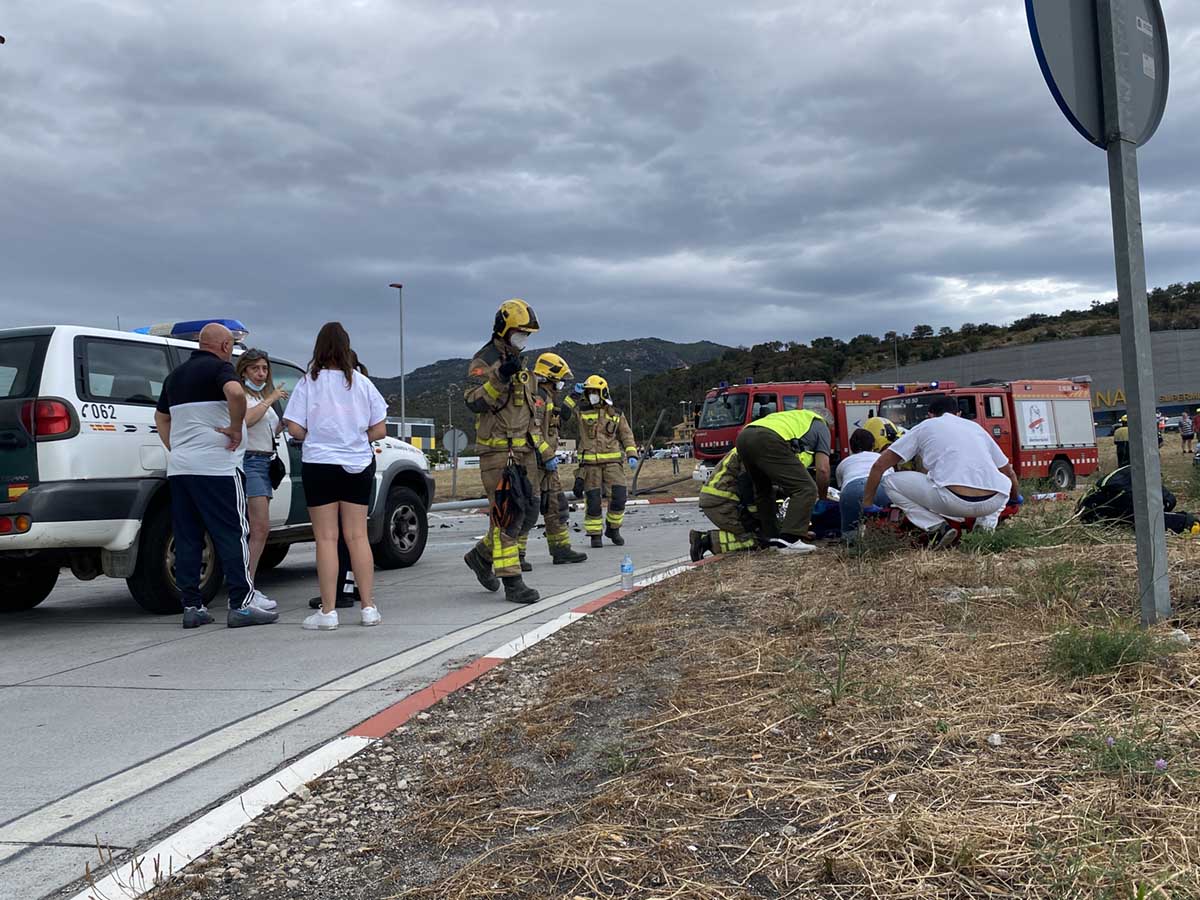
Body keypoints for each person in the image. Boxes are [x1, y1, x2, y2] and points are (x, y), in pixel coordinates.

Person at [154, 323, 278, 628]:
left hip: (182, 469)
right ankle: (241, 604)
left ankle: (192, 606)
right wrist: (236, 427)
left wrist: (175, 445)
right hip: (218, 468)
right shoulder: (220, 370)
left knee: (187, 536)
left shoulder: (175, 376)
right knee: (232, 533)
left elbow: (160, 416)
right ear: (224, 347)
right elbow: (236, 393)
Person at [284, 322, 387, 630]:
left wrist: (314, 435)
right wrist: (355, 438)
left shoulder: (308, 382)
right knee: (357, 536)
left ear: (319, 348)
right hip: (357, 463)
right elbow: (380, 428)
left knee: (326, 538)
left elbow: (293, 427)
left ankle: (328, 612)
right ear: (346, 347)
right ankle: (368, 607)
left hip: (319, 463)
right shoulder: (362, 383)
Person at [462, 299, 554, 604]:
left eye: (527, 334)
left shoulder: (522, 364)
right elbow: (475, 400)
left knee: (527, 513)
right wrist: (499, 377)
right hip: (497, 453)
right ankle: (513, 581)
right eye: (520, 332)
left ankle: (480, 556)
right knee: (507, 516)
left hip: (523, 452)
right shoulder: (484, 360)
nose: (524, 339)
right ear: (504, 329)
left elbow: (527, 412)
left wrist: (542, 450)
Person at [861, 394, 1019, 549]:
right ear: (959, 414)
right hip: (993, 502)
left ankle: (936, 527)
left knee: (890, 482)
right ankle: (984, 530)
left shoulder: (926, 426)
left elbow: (879, 466)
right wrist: (1014, 498)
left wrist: (867, 505)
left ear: (930, 415)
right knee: (1002, 483)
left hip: (953, 501)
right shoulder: (976, 427)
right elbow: (1009, 473)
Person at [735, 406, 834, 554]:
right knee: (807, 488)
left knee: (763, 491)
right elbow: (823, 469)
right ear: (828, 423)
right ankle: (790, 540)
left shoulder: (794, 417)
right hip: (767, 438)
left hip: (744, 437)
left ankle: (773, 539)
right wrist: (823, 499)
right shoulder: (820, 424)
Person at [234, 349, 288, 581]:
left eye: (264, 369)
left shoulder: (259, 398)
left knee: (259, 529)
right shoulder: (243, 396)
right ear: (244, 370)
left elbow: (268, 428)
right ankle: (246, 583)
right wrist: (270, 399)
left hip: (265, 461)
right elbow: (246, 420)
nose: (261, 374)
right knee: (259, 528)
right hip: (251, 461)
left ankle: (247, 580)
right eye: (255, 368)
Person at [532, 352, 587, 565]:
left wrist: (574, 396)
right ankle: (518, 556)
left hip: (547, 464)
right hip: (534, 463)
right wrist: (546, 455)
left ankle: (561, 549)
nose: (561, 383)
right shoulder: (537, 397)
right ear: (549, 377)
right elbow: (533, 431)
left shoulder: (548, 397)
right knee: (527, 510)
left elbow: (561, 415)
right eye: (560, 379)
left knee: (557, 506)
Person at [575, 375, 637, 548]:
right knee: (593, 501)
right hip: (590, 466)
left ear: (603, 392)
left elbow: (626, 434)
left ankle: (613, 528)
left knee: (619, 497)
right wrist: (573, 395)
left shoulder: (616, 413)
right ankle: (595, 535)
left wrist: (632, 454)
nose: (591, 395)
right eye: (589, 392)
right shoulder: (581, 410)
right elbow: (562, 413)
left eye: (594, 392)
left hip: (613, 463)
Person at [689, 448, 760, 560]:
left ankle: (705, 539)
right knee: (758, 538)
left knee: (753, 531)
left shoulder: (745, 447)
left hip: (718, 498)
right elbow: (748, 486)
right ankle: (705, 541)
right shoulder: (753, 452)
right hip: (722, 502)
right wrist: (754, 515)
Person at [836, 427, 894, 540]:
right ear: (873, 445)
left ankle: (852, 544)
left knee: (850, 536)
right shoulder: (881, 458)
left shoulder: (844, 463)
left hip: (852, 489)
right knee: (887, 529)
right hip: (882, 487)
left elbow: (841, 488)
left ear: (851, 447)